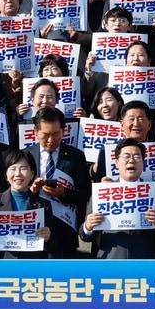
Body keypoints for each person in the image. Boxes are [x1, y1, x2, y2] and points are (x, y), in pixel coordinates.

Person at [80, 138, 155, 258]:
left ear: (143, 163)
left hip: (146, 265)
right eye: (126, 156)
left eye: (137, 157)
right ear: (116, 162)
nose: (131, 160)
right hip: (110, 263)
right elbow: (84, 236)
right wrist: (88, 226)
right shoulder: (102, 192)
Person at [23, 107, 89, 257]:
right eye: (45, 135)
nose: (51, 140)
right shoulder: (26, 155)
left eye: (56, 134)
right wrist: (32, 190)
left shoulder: (76, 156)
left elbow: (85, 194)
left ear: (64, 131)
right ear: (35, 132)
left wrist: (63, 192)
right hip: (34, 229)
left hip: (64, 228)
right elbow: (15, 192)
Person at [0, 149, 53, 260]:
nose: (18, 174)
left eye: (23, 168)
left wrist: (48, 237)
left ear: (32, 174)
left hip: (32, 268)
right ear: (6, 175)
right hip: (2, 266)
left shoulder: (43, 205)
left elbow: (54, 246)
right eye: (13, 169)